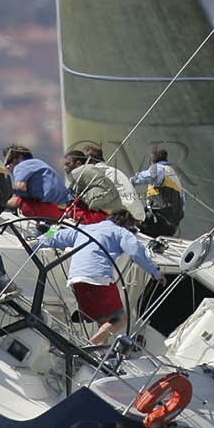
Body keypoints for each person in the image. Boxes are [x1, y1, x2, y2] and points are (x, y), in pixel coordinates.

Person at [32, 209, 162, 346]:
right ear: (127, 225)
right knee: (119, 319)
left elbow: (56, 234)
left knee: (104, 322)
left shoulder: (86, 228)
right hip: (99, 278)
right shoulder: (121, 233)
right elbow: (136, 252)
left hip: (76, 279)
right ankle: (84, 348)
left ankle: (99, 355)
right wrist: (156, 273)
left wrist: (37, 241)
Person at [79, 142, 145, 223]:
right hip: (138, 216)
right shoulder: (114, 171)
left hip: (125, 217)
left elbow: (94, 202)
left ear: (88, 161)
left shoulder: (97, 174)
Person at [133, 145, 186, 237]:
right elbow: (182, 208)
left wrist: (127, 181)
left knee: (125, 218)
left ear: (150, 161)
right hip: (171, 229)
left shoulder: (158, 168)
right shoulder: (175, 177)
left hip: (156, 222)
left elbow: (143, 177)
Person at [4, 146, 68, 220]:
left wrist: (9, 192)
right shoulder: (38, 163)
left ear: (20, 158)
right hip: (61, 209)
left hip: (47, 208)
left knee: (4, 202)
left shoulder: (22, 165)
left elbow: (20, 186)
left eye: (9, 162)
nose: (8, 166)